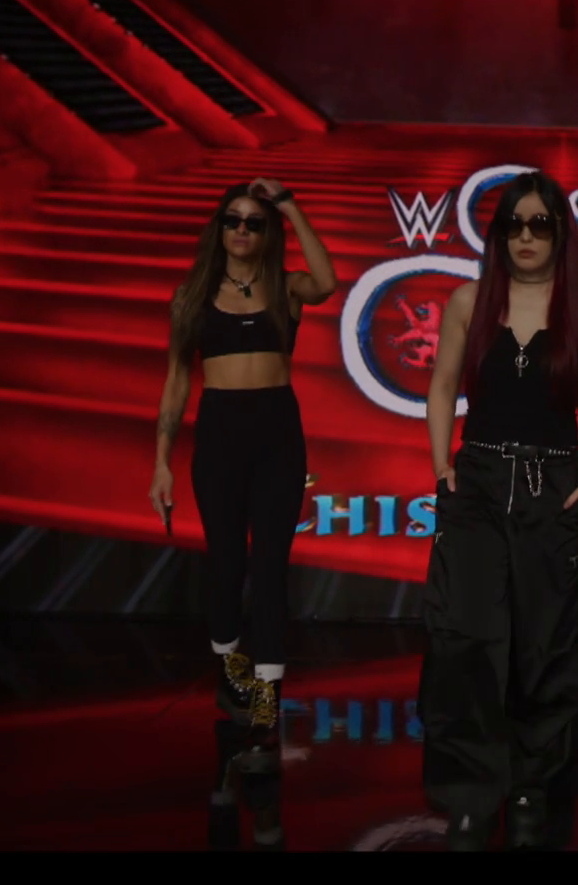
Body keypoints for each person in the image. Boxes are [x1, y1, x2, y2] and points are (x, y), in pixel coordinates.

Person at [420, 171, 578, 851]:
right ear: (499, 234)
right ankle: (471, 792)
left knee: (545, 644)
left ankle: (530, 785)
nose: (526, 236)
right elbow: (442, 386)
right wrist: (442, 468)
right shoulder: (470, 301)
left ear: (560, 233)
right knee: (466, 638)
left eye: (540, 224)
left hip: (554, 485)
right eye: (514, 224)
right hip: (479, 480)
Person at [150, 179, 338, 773]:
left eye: (254, 222)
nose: (241, 230)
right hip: (220, 438)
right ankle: (231, 671)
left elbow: (328, 281)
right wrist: (160, 461)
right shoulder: (192, 296)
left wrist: (290, 206)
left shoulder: (286, 288)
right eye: (232, 219)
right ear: (219, 227)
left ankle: (268, 694)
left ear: (267, 233)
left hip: (278, 435)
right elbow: (177, 381)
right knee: (227, 563)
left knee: (271, 565)